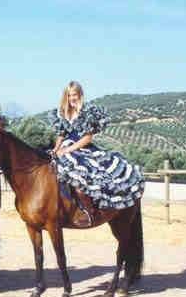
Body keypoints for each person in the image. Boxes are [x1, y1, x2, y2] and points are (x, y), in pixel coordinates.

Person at [52, 80, 145, 226]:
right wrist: (56, 148)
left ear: (80, 94)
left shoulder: (87, 112)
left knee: (85, 174)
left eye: (74, 95)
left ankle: (88, 210)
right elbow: (61, 133)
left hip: (80, 148)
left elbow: (87, 138)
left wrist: (68, 150)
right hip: (65, 147)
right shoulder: (64, 112)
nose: (71, 99)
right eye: (69, 96)